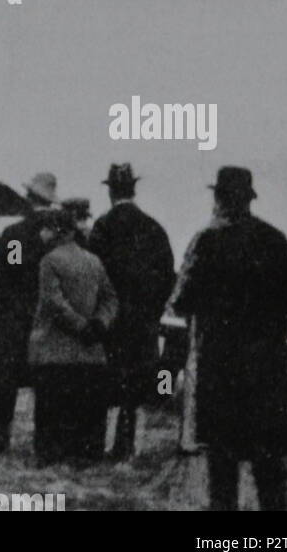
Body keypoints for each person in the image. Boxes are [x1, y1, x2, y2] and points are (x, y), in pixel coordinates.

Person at [169, 166, 287, 511]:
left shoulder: (207, 240)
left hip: (220, 371)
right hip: (267, 370)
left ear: (219, 199)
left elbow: (182, 300)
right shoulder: (276, 239)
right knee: (268, 469)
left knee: (222, 471)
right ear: (248, 198)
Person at [87, 164, 176, 460]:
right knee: (135, 389)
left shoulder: (102, 227)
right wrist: (152, 311)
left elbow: (92, 275)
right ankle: (129, 446)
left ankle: (100, 444)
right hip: (143, 323)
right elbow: (168, 278)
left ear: (111, 191)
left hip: (110, 321)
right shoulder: (154, 228)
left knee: (105, 383)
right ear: (133, 189)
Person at [28, 209, 119, 466]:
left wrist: (80, 326)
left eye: (46, 228)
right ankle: (85, 458)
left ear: (58, 231)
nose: (42, 234)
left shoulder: (49, 261)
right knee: (85, 416)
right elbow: (111, 298)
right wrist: (99, 324)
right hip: (90, 353)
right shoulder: (94, 261)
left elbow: (53, 303)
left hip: (54, 353)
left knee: (51, 419)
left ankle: (51, 458)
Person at [0, 172, 57, 452]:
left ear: (29, 198)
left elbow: (3, 272)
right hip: (45, 318)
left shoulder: (15, 234)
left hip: (13, 318)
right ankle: (42, 444)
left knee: (6, 384)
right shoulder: (56, 236)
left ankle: (0, 442)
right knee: (44, 385)